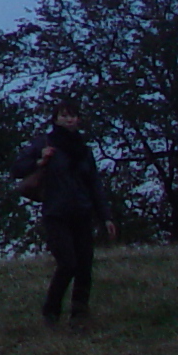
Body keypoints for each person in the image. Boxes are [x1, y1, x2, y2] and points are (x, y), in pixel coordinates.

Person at [15, 103, 116, 325]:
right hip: (56, 212)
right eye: (64, 116)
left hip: (82, 212)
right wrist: (39, 161)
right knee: (67, 264)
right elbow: (17, 168)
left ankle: (80, 315)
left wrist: (106, 216)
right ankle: (51, 312)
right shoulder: (45, 143)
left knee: (84, 266)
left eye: (73, 116)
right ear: (56, 119)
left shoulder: (84, 150)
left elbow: (95, 185)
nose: (69, 120)